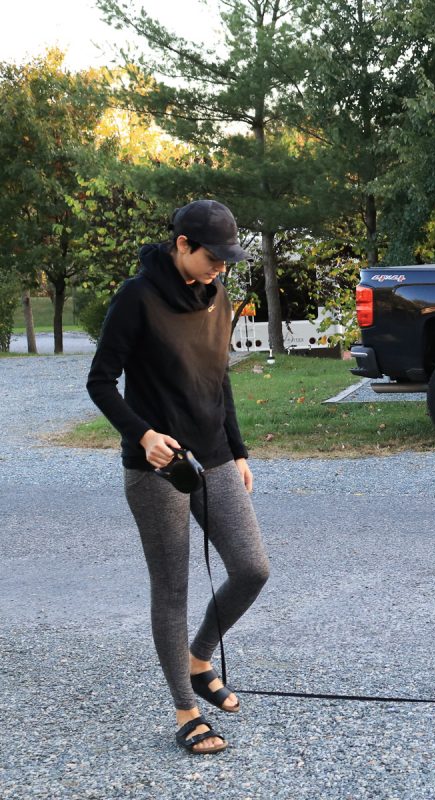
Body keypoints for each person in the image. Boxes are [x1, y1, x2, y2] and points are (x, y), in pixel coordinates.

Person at [86, 199, 270, 754]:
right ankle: (186, 711)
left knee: (252, 568)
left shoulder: (217, 297)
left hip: (214, 458)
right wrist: (143, 435)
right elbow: (100, 381)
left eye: (228, 259)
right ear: (182, 245)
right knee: (173, 588)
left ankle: (199, 659)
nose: (222, 267)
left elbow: (220, 379)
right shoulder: (136, 298)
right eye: (214, 256)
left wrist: (238, 451)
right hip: (157, 468)